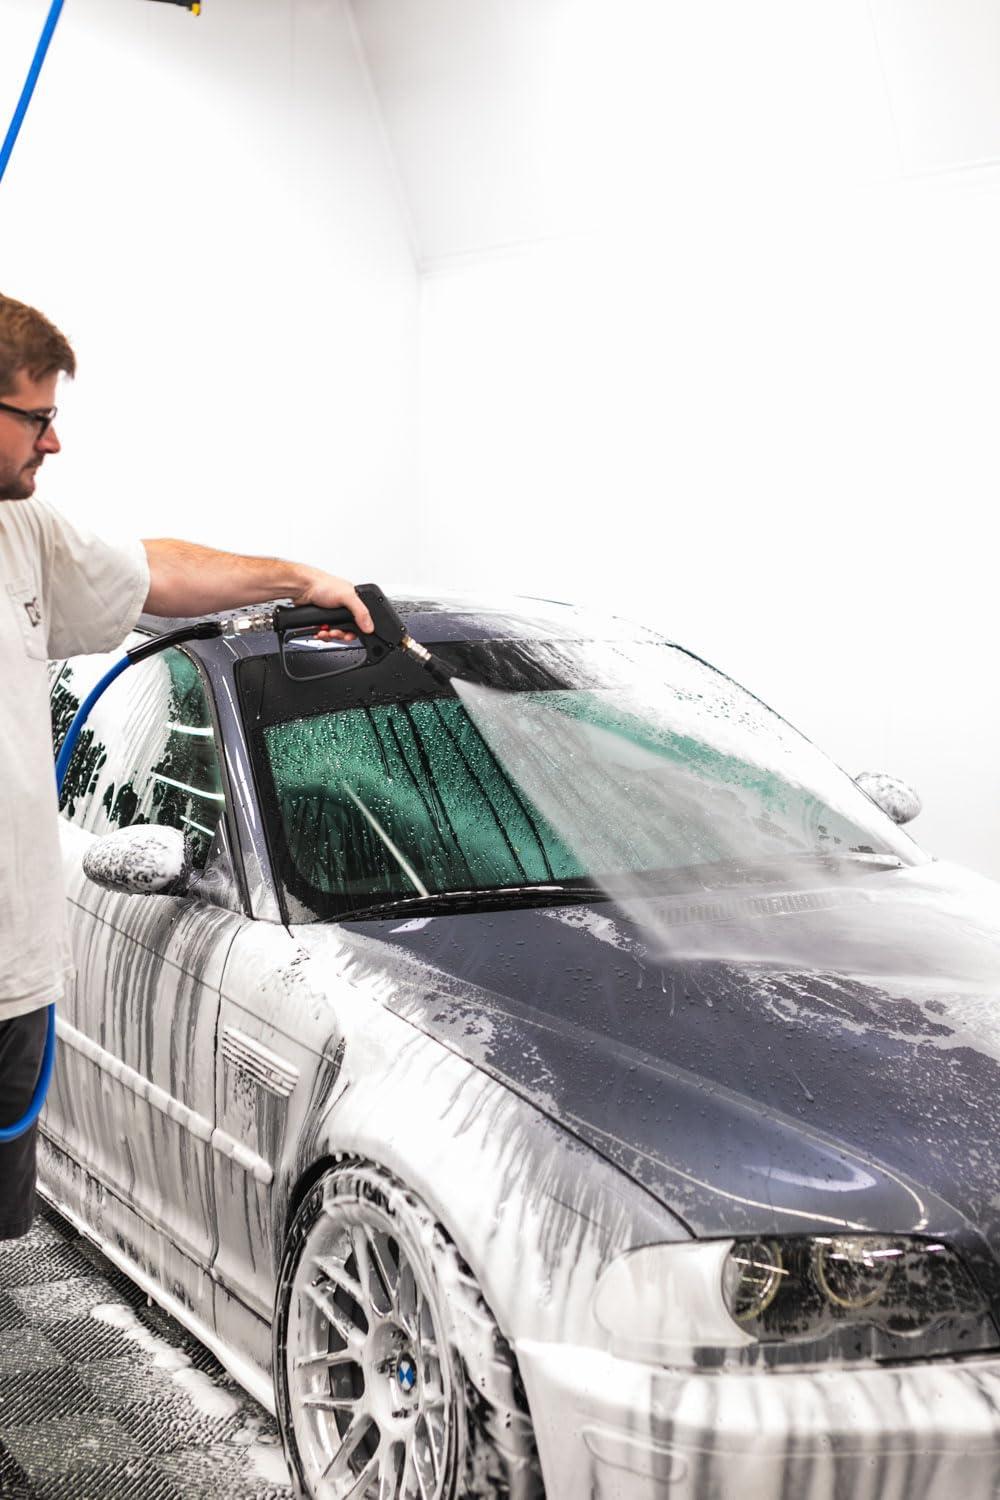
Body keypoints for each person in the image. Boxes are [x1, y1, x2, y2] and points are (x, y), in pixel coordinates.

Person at [0, 291, 374, 1240]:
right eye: (37, 418)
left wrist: (300, 579)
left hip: (13, 976)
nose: (53, 443)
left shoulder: (24, 532)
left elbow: (153, 572)